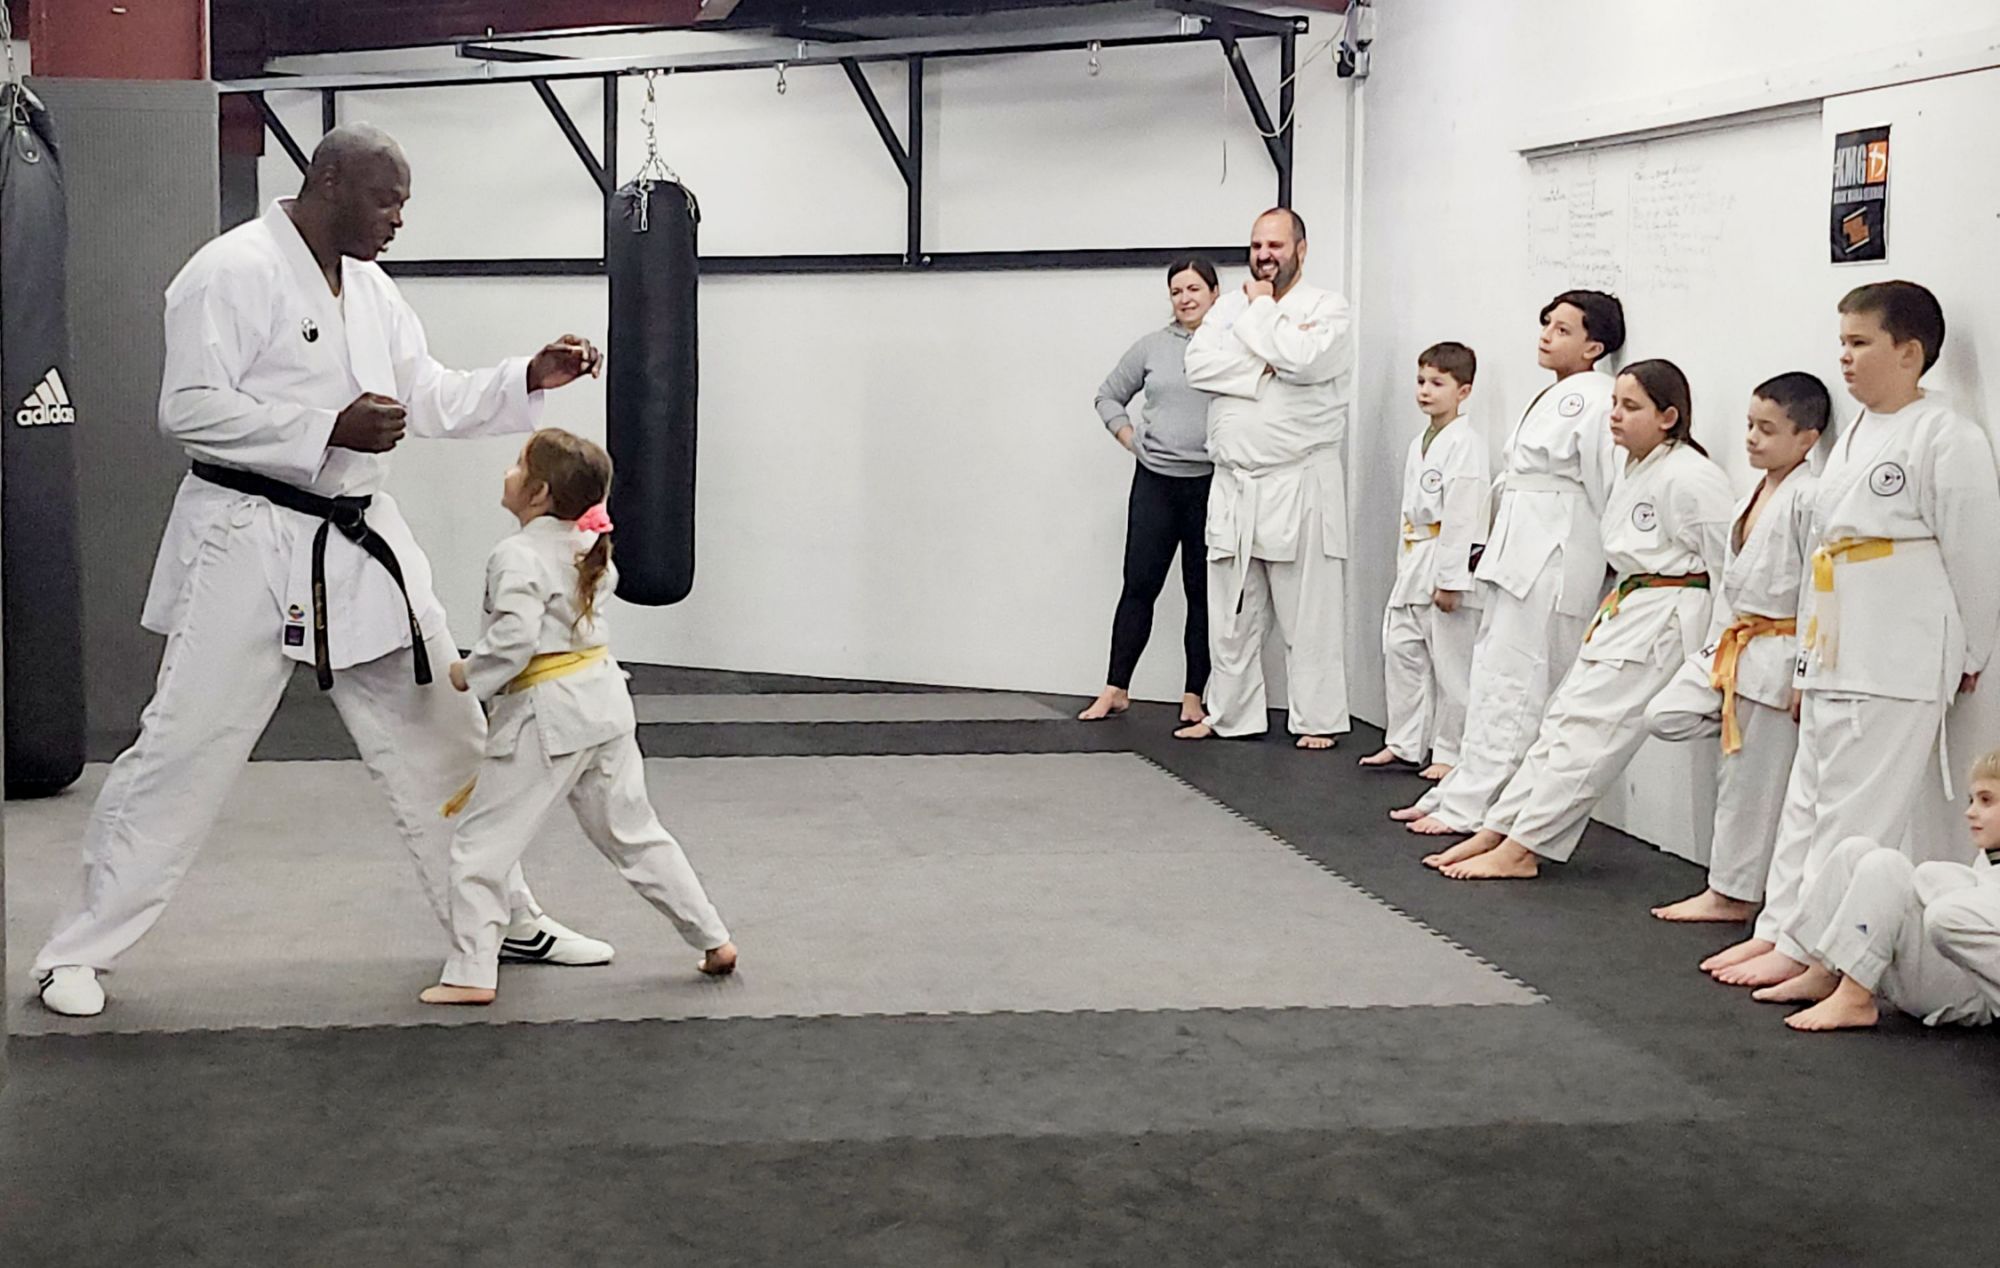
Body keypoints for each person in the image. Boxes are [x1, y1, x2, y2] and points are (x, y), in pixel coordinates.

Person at [33, 124, 612, 1018]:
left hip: (360, 539)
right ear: (330, 182)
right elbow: (186, 408)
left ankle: (503, 921)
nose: (397, 222)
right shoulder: (228, 272)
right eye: (386, 201)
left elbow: (429, 395)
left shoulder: (373, 290)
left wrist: (525, 377)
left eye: (403, 206)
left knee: (449, 736)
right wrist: (323, 429)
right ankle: (75, 952)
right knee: (185, 750)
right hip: (249, 540)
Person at [1711, 281, 2000, 990]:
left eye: (1860, 342)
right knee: (1806, 801)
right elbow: (1823, 555)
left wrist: (1970, 650)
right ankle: (1781, 929)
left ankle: (1822, 955)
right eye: (1841, 342)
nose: (1844, 357)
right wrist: (1805, 663)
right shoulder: (1856, 438)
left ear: (1909, 352)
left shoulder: (1946, 435)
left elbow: (1974, 554)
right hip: (1835, 646)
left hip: (1898, 652)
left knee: (1852, 813)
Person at [422, 431, 735, 1005]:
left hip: (546, 718)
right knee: (634, 834)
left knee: (480, 846)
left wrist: (470, 671)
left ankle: (470, 971)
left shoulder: (517, 554)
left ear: (539, 492)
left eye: (518, 465)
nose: (508, 472)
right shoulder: (587, 547)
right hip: (604, 703)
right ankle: (713, 938)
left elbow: (514, 638)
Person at [1425, 360, 1733, 879]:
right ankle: (1499, 828)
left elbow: (1728, 568)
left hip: (1666, 614)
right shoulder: (1637, 468)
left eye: (1630, 406)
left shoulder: (1692, 476)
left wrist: (1717, 652)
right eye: (1614, 404)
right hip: (1629, 607)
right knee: (1560, 723)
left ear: (1669, 416)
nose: (1614, 416)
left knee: (1589, 735)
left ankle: (1524, 848)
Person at [1395, 291, 1624, 833]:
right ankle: (1464, 786)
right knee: (1492, 679)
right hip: (1514, 550)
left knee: (1519, 690)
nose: (1546, 335)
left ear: (1594, 346)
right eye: (1546, 324)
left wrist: (1613, 562)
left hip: (1554, 556)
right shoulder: (1552, 396)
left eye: (1563, 330)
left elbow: (1608, 486)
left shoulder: (1597, 399)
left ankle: (1481, 806)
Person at [1643, 374, 1828, 924]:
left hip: (1778, 653)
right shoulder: (1753, 493)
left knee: (1749, 789)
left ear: (1807, 438)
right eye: (1749, 425)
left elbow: (1818, 592)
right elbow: (1731, 583)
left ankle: (1734, 894)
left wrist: (1805, 674)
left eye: (1767, 429)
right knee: (1666, 713)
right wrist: (1713, 647)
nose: (1751, 438)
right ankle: (1731, 888)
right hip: (1736, 644)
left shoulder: (1809, 497)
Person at [1175, 208, 1355, 750]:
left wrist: (1261, 316)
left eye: (1275, 245)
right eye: (1256, 245)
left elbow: (1303, 360)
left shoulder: (1328, 308)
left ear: (1301, 248)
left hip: (1299, 479)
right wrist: (1262, 368)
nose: (1263, 255)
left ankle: (1317, 719)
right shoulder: (1228, 305)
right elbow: (1198, 366)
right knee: (1232, 612)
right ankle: (1231, 713)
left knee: (1308, 612)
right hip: (1235, 483)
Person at [1756, 749, 2000, 1033]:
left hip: (1976, 998)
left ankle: (1854, 997)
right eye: (1972, 800)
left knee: (1887, 867)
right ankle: (1822, 970)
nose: (1970, 812)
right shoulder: (1988, 857)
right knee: (1855, 852)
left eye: (1986, 800)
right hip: (1958, 975)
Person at [1080, 257, 1222, 725]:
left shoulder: (1231, 345)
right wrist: (1130, 439)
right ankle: (1115, 688)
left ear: (1215, 293)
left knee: (1202, 593)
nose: (1185, 298)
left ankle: (1193, 695)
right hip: (1156, 484)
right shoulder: (1152, 347)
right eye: (1177, 291)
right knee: (1139, 586)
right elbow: (1107, 395)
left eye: (1194, 289)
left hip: (1210, 485)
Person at [1359, 342, 1487, 779]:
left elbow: (1465, 515)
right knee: (1402, 650)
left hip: (1445, 558)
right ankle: (1404, 741)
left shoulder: (1466, 444)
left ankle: (1451, 751)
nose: (1425, 391)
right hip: (1416, 556)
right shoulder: (1420, 443)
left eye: (1437, 383)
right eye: (1420, 381)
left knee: (1451, 664)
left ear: (1463, 391)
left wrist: (1452, 580)